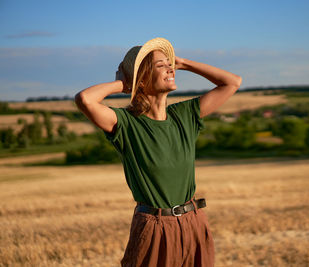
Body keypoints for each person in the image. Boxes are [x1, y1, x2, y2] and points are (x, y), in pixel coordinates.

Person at [74, 37, 242, 267]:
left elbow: (232, 82)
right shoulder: (126, 124)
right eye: (160, 65)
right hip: (154, 226)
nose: (170, 68)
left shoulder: (185, 115)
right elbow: (85, 99)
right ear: (141, 80)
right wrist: (124, 84)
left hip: (194, 222)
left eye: (169, 63)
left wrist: (184, 63)